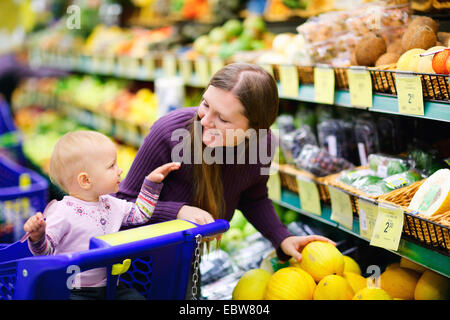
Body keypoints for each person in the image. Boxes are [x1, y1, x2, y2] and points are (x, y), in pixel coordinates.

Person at [115, 63, 335, 296]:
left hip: (186, 259)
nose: (205, 120)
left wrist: (282, 237)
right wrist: (178, 213)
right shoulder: (169, 132)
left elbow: (253, 197)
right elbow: (122, 203)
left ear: (253, 130)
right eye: (205, 104)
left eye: (223, 118)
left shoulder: (263, 144)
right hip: (135, 263)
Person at [23, 130, 180, 300]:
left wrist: (151, 183)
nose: (119, 170)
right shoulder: (62, 212)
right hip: (73, 289)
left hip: (111, 284)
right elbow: (45, 253)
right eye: (111, 166)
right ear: (85, 180)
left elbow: (140, 214)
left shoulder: (112, 203)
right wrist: (38, 236)